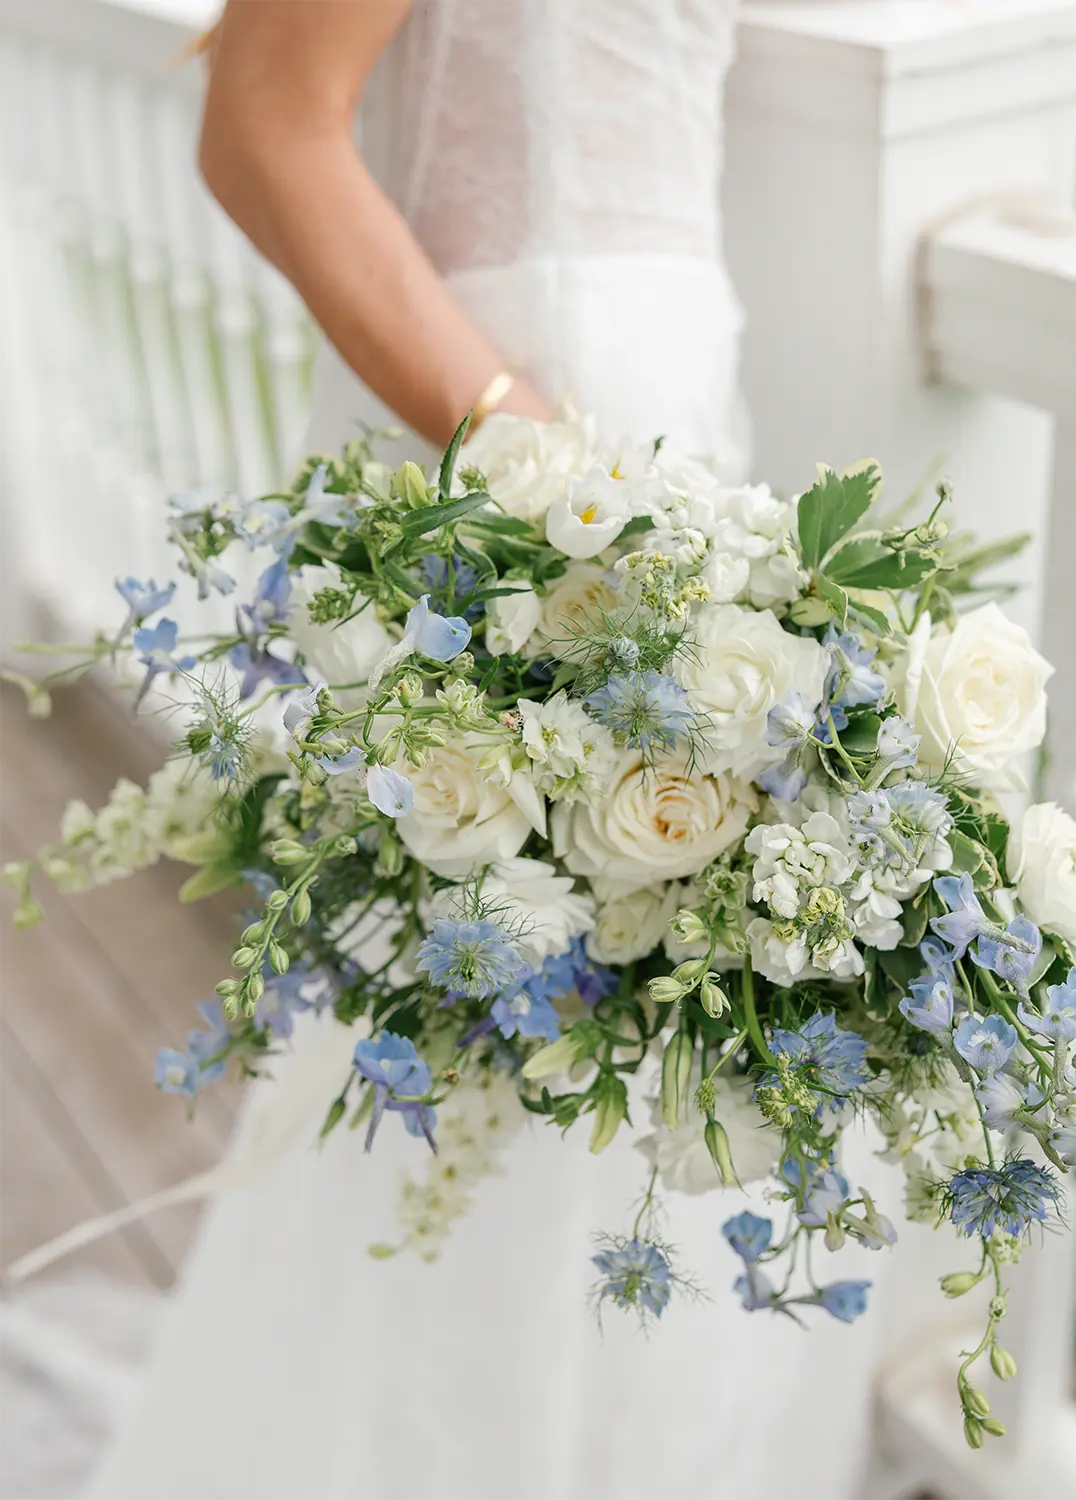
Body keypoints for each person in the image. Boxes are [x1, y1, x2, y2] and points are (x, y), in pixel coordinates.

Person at [89, 3, 880, 1496]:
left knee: (625, 1081)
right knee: (512, 1057)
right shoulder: (552, 472)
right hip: (527, 440)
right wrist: (560, 482)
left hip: (648, 418)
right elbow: (264, 125)